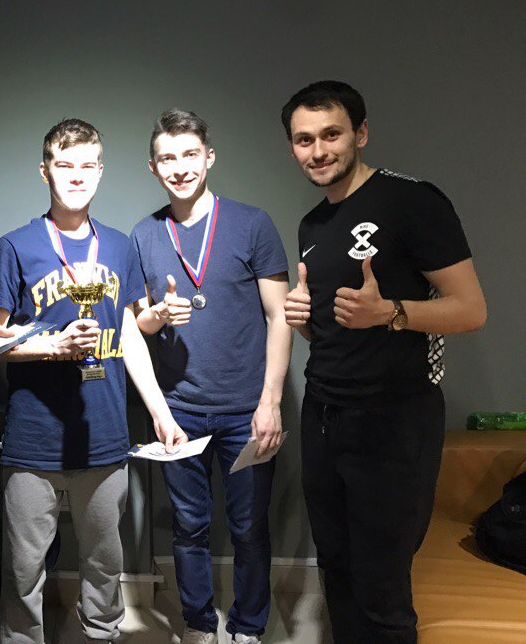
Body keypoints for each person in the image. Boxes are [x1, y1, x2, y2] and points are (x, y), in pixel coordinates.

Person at [281, 80, 487, 643]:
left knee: (381, 586)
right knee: (338, 571)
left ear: (361, 133)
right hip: (324, 415)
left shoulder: (413, 201)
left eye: (331, 134)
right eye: (304, 139)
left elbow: (471, 309)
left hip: (393, 420)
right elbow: (339, 331)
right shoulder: (312, 226)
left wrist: (391, 312)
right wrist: (304, 319)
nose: (318, 151)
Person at [0, 118, 187, 644]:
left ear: (101, 171)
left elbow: (131, 334)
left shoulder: (118, 246)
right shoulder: (15, 246)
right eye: (65, 164)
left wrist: (161, 413)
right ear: (44, 171)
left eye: (88, 165)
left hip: (104, 436)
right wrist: (52, 346)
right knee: (23, 571)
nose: (77, 176)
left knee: (104, 564)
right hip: (33, 441)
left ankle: (102, 634)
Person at [130, 109, 291, 644]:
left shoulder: (252, 223)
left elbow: (279, 316)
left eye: (190, 154)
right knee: (188, 526)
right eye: (167, 158)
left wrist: (270, 402)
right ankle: (198, 623)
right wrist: (157, 316)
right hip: (180, 409)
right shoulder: (144, 234)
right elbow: (136, 325)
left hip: (247, 409)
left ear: (209, 157)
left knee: (249, 527)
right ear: (153, 167)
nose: (180, 168)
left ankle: (248, 626)